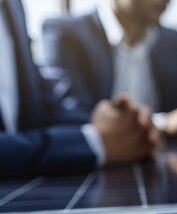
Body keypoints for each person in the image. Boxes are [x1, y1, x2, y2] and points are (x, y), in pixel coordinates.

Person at [0, 0, 158, 179]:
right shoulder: (66, 31)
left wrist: (121, 123)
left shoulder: (12, 5)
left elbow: (36, 107)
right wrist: (92, 142)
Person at [41, 0, 177, 143]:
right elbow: (71, 116)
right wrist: (160, 125)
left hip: (167, 169)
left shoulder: (170, 40)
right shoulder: (65, 34)